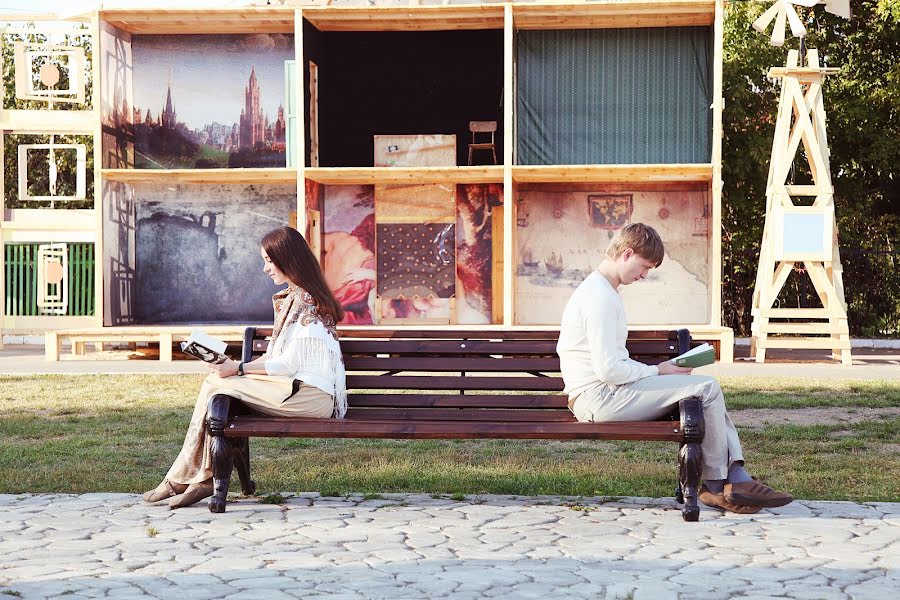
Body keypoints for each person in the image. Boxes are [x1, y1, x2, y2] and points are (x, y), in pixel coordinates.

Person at [556, 223, 792, 513]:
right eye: (644, 267)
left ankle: (732, 479)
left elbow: (611, 365)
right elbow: (608, 370)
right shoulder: (600, 296)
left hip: (605, 395)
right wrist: (659, 370)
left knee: (705, 390)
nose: (643, 276)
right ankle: (720, 484)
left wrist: (659, 370)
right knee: (707, 387)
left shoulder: (601, 291)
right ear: (626, 253)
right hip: (599, 399)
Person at [143, 226, 347, 509]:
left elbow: (288, 364)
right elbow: (277, 356)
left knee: (215, 385)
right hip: (296, 391)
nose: (265, 269)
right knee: (216, 385)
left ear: (287, 259)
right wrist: (230, 365)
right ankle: (198, 478)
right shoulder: (294, 299)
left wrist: (237, 370)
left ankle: (186, 478)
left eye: (268, 260)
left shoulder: (306, 303)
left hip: (311, 399)